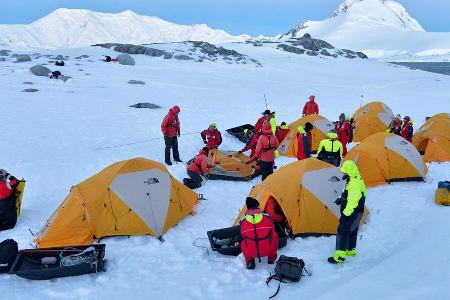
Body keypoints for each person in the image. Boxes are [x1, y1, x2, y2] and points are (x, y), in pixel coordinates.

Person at [328, 160, 366, 264]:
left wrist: (345, 215)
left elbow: (353, 202)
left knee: (342, 231)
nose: (343, 173)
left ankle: (339, 257)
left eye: (345, 172)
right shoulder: (354, 179)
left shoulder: (355, 185)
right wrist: (341, 198)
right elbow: (347, 192)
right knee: (352, 230)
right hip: (357, 212)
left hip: (352, 212)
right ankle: (350, 250)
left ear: (350, 172)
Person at [240, 197, 278, 269]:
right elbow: (272, 232)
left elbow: (243, 235)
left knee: (243, 241)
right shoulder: (267, 218)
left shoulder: (243, 221)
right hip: (267, 249)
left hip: (251, 252)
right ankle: (271, 258)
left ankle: (249, 260)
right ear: (257, 207)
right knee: (275, 235)